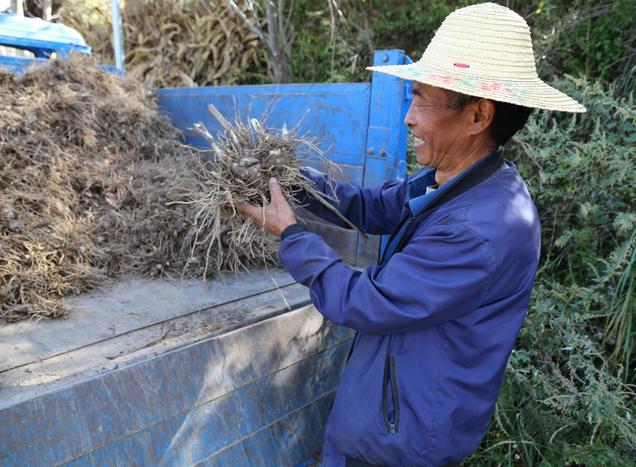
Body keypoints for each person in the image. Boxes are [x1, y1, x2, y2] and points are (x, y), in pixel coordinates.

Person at [239, 3, 585, 466]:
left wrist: (292, 235)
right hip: (383, 420)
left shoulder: (483, 227)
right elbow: (370, 206)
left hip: (401, 445)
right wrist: (292, 179)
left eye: (421, 98)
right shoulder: (453, 180)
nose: (409, 117)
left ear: (479, 115)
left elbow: (365, 302)